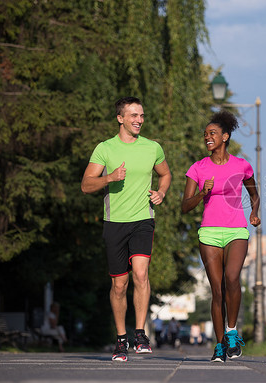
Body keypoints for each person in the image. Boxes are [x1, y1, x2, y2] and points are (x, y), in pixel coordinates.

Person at [81, 97, 172, 362]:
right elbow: (86, 185)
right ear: (120, 118)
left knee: (141, 274)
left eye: (141, 115)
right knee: (119, 285)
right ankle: (121, 339)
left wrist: (162, 192)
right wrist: (109, 177)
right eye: (133, 115)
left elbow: (165, 174)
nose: (139, 120)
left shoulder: (153, 147)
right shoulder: (105, 149)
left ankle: (140, 333)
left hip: (143, 219)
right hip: (114, 223)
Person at [181, 110, 260, 363]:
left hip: (237, 229)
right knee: (217, 290)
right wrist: (203, 193)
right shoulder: (198, 168)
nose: (207, 138)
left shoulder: (241, 165)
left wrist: (255, 214)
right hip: (209, 233)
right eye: (205, 135)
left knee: (232, 278)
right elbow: (185, 206)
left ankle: (232, 331)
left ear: (225, 137)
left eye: (212, 133)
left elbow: (254, 195)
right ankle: (218, 345)